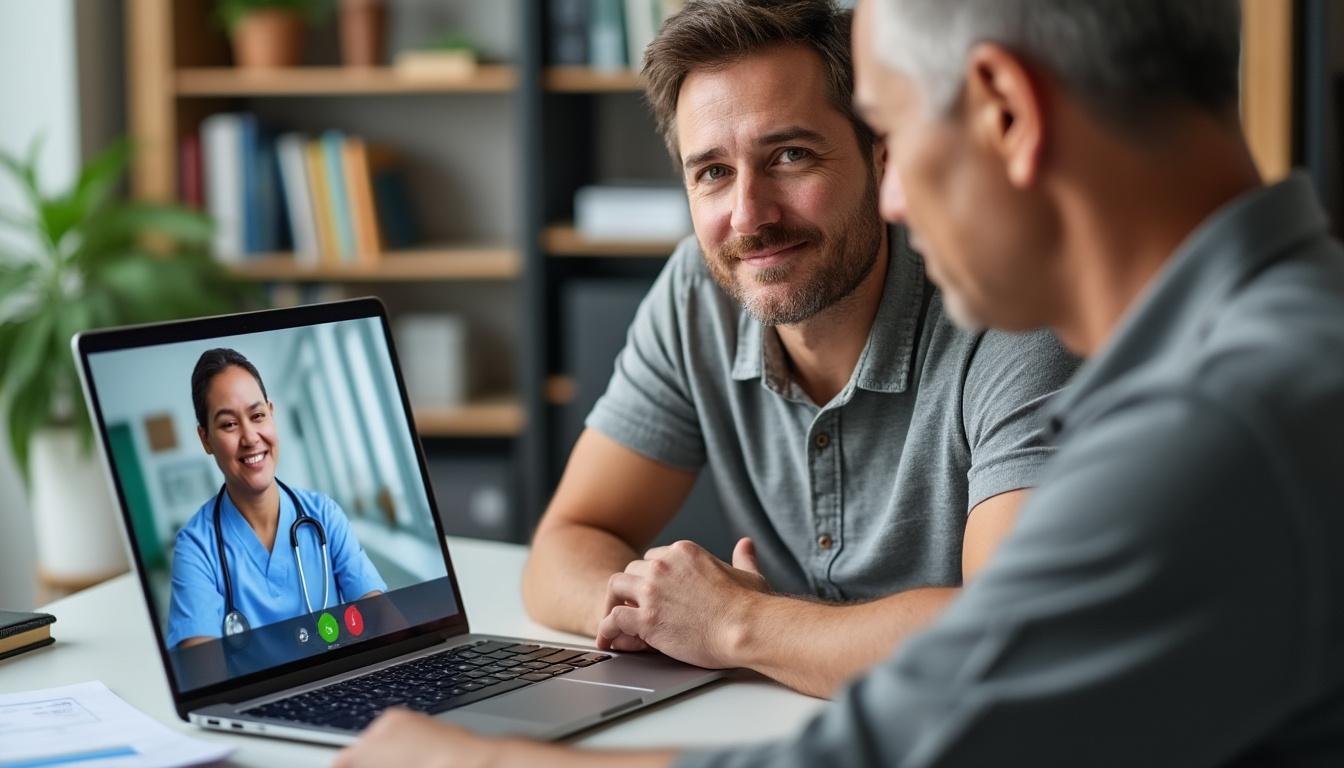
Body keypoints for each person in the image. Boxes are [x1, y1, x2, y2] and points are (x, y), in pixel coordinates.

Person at [335, 0, 1344, 764]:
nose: (897, 194)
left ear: (1004, 113)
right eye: (711, 173)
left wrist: (460, 757)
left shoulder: (1212, 429)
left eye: (893, 138)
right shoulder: (1281, 347)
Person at [522, 0, 1077, 698]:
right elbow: (564, 544)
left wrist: (736, 623)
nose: (749, 214)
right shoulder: (697, 292)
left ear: (881, 156)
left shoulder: (1003, 305)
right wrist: (656, 611)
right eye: (713, 173)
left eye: (790, 155)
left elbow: (1012, 635)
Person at [167, 348, 386, 649]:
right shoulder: (196, 548)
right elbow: (202, 671)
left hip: (344, 688)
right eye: (229, 424)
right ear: (206, 439)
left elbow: (383, 619)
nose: (250, 437)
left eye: (257, 416)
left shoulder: (323, 515)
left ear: (271, 413)